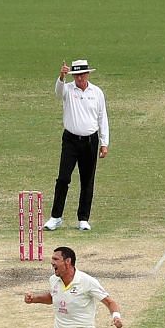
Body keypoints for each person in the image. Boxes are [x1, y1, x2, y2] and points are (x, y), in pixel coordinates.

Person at [45, 58, 109, 232]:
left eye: (82, 75)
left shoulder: (96, 92)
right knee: (63, 178)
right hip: (71, 141)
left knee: (87, 180)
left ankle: (83, 218)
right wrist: (61, 76)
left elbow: (102, 117)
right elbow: (58, 92)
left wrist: (104, 143)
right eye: (77, 75)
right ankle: (56, 217)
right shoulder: (68, 89)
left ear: (87, 74)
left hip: (90, 141)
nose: (80, 78)